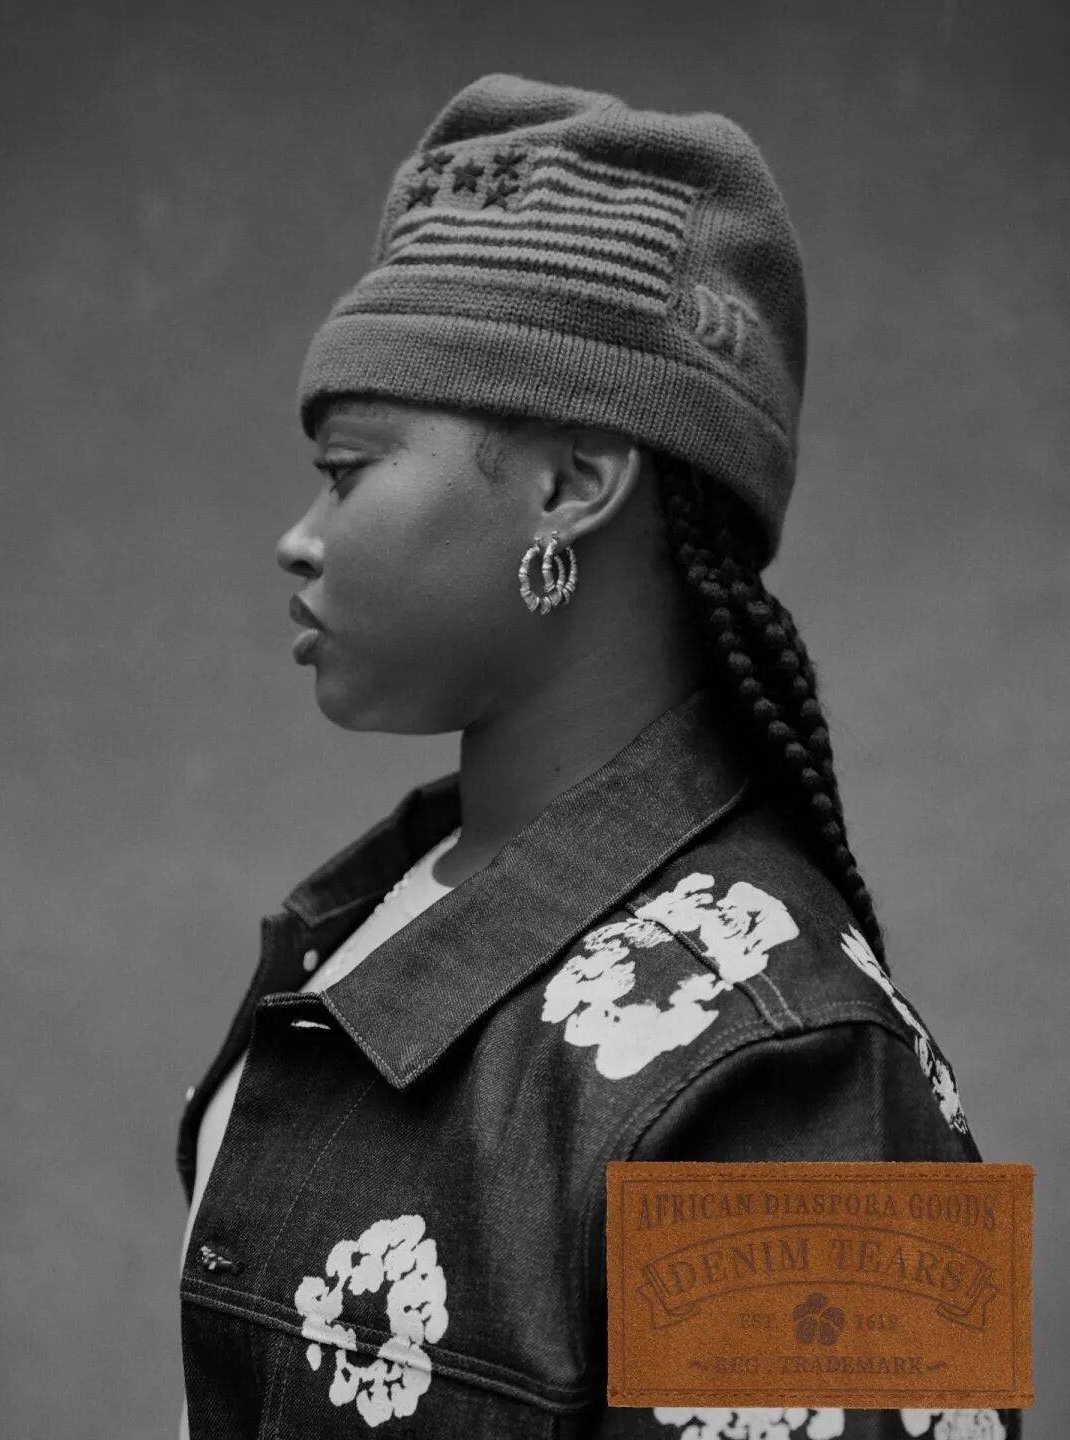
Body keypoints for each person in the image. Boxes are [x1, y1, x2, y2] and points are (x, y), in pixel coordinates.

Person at [175, 73, 1021, 1440]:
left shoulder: (791, 1063)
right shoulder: (364, 918)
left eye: (348, 468)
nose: (300, 537)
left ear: (572, 485)